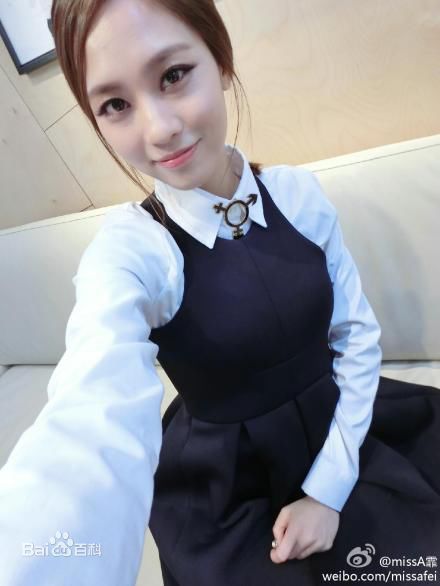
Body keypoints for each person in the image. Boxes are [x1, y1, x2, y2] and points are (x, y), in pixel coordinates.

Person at [0, 0, 439, 584]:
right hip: (228, 489)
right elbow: (87, 417)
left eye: (173, 75)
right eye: (115, 105)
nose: (159, 129)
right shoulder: (133, 250)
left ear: (222, 61)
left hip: (351, 429)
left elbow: (356, 336)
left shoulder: (298, 195)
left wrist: (328, 490)